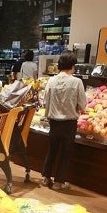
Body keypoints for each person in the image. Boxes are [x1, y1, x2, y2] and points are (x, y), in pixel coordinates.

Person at [40, 50, 86, 191]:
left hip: (54, 122)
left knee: (52, 150)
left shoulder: (51, 81)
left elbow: (45, 102)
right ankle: (59, 182)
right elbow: (82, 105)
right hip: (69, 123)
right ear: (72, 66)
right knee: (65, 153)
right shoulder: (77, 82)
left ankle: (46, 178)